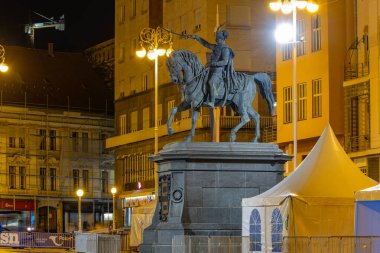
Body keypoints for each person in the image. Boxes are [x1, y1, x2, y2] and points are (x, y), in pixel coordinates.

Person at [186, 27, 235, 108]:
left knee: (211, 82)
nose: (216, 40)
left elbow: (225, 62)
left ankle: (212, 101)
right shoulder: (216, 47)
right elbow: (205, 44)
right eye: (216, 39)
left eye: (218, 39)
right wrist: (196, 37)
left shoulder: (225, 49)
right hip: (210, 69)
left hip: (218, 71)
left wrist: (213, 63)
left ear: (222, 39)